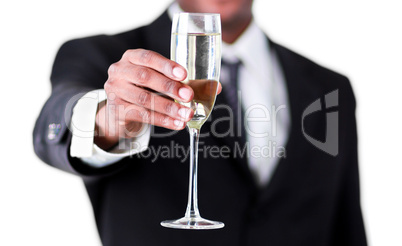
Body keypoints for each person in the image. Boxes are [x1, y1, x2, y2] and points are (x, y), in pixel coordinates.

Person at [33, 0, 367, 245]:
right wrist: (108, 118)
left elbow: (347, 225)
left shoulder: (330, 88)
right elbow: (55, 122)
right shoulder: (101, 55)